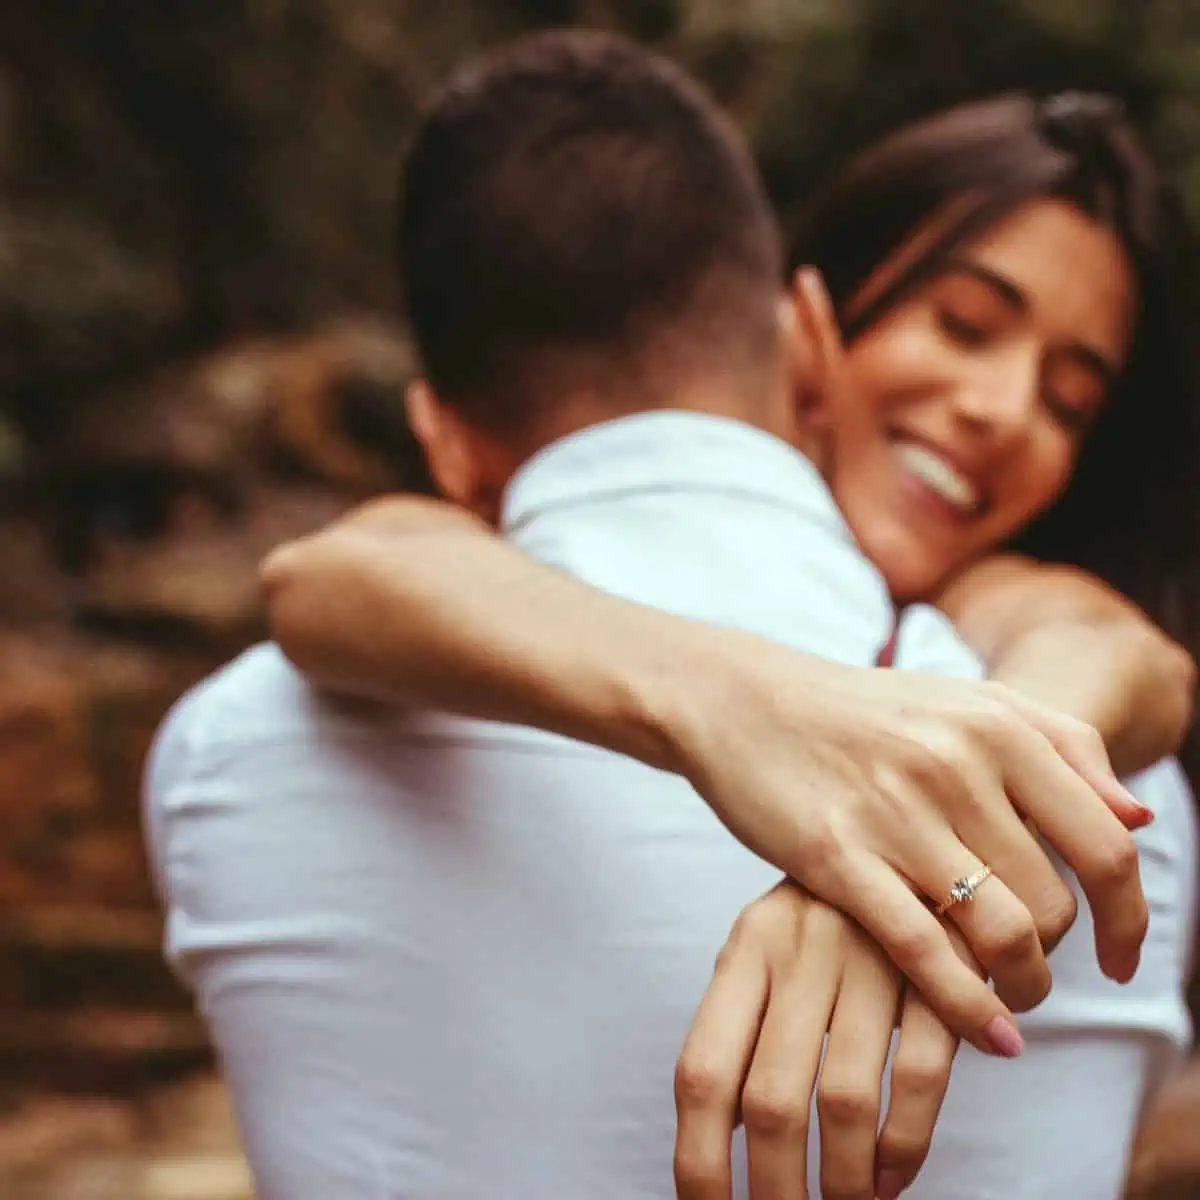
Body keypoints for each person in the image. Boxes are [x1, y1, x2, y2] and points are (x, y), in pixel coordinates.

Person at [145, 32, 1194, 1200]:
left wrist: (923, 839)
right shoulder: (1144, 825)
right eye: (960, 322)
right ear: (809, 330)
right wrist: (737, 712)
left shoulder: (1044, 665)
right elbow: (342, 574)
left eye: (1070, 400)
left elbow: (1119, 652)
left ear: (442, 437)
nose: (1000, 410)